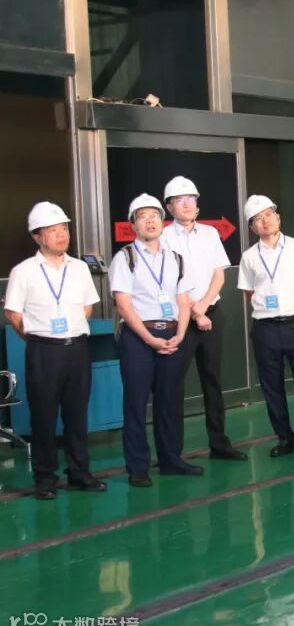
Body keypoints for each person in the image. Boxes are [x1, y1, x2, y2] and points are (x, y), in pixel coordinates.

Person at [4, 202, 107, 500]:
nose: (62, 234)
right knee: (44, 417)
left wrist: (69, 329)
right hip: (43, 351)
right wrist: (38, 338)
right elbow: (13, 313)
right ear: (37, 236)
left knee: (77, 414)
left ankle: (79, 473)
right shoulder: (23, 271)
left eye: (64, 228)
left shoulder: (79, 268)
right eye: (53, 230)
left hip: (77, 348)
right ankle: (45, 478)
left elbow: (87, 306)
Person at [110, 193, 202, 486]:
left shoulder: (175, 259)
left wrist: (180, 334)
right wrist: (149, 338)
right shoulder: (125, 258)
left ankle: (171, 459)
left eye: (154, 216)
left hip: (172, 334)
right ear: (133, 225)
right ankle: (138, 467)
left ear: (163, 221)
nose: (150, 221)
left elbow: (183, 300)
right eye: (142, 216)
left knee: (170, 400)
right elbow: (123, 305)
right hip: (138, 337)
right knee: (136, 402)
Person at [237, 195, 294, 459]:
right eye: (258, 219)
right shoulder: (249, 257)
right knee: (272, 387)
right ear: (252, 227)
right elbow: (249, 291)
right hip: (265, 329)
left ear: (278, 217)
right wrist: (268, 310)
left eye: (269, 214)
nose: (265, 221)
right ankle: (285, 439)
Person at [161, 176, 246, 461]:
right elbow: (168, 282)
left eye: (191, 199)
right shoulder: (163, 237)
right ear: (169, 207)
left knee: (213, 381)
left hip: (211, 314)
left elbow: (219, 275)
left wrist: (203, 306)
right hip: (180, 320)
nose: (187, 204)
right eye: (180, 200)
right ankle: (172, 452)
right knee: (173, 384)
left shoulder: (209, 233)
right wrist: (194, 312)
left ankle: (219, 444)